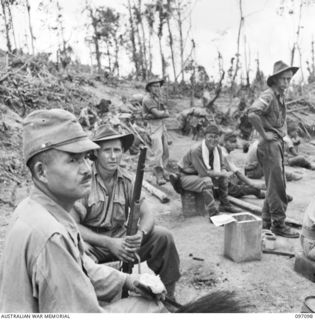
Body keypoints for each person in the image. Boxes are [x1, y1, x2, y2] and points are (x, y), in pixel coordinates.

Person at [0, 109, 167, 313]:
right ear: (41, 172)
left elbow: (84, 268)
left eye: (85, 158)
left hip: (116, 242)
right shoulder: (52, 237)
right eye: (73, 160)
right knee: (152, 309)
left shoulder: (36, 209)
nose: (87, 169)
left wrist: (129, 280)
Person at [71, 125, 181, 300]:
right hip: (93, 242)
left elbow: (147, 214)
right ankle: (91, 304)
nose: (113, 156)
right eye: (107, 150)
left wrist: (140, 233)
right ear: (96, 153)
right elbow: (72, 225)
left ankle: (169, 298)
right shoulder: (83, 179)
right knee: (77, 255)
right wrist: (108, 242)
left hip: (122, 237)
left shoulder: (128, 179)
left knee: (163, 236)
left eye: (117, 150)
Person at [248, 60, 299, 238]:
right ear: (275, 79)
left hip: (277, 143)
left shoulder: (280, 96)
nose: (286, 82)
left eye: (289, 79)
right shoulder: (269, 95)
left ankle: (266, 222)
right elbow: (253, 113)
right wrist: (264, 134)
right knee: (277, 185)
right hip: (269, 144)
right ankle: (279, 224)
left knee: (274, 184)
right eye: (283, 79)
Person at [174, 124, 241, 220]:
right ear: (205, 137)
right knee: (207, 181)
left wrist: (224, 172)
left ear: (219, 138)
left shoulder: (217, 149)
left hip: (198, 175)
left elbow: (221, 167)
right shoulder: (196, 150)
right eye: (210, 137)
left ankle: (225, 204)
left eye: (216, 137)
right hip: (184, 177)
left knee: (223, 177)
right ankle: (213, 212)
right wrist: (223, 173)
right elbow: (204, 173)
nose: (213, 140)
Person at [220, 131, 265, 199]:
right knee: (253, 189)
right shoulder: (224, 154)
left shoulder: (223, 151)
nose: (234, 144)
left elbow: (235, 171)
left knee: (242, 181)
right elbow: (237, 173)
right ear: (224, 142)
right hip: (223, 186)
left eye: (235, 142)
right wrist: (254, 184)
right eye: (231, 142)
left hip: (226, 181)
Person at [142, 79, 170, 185]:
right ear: (149, 88)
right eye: (155, 86)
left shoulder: (157, 98)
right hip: (153, 127)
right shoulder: (147, 99)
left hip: (161, 125)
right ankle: (158, 176)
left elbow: (164, 111)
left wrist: (162, 113)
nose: (157, 88)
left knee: (166, 151)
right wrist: (163, 113)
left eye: (159, 86)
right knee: (158, 152)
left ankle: (163, 171)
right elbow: (159, 114)